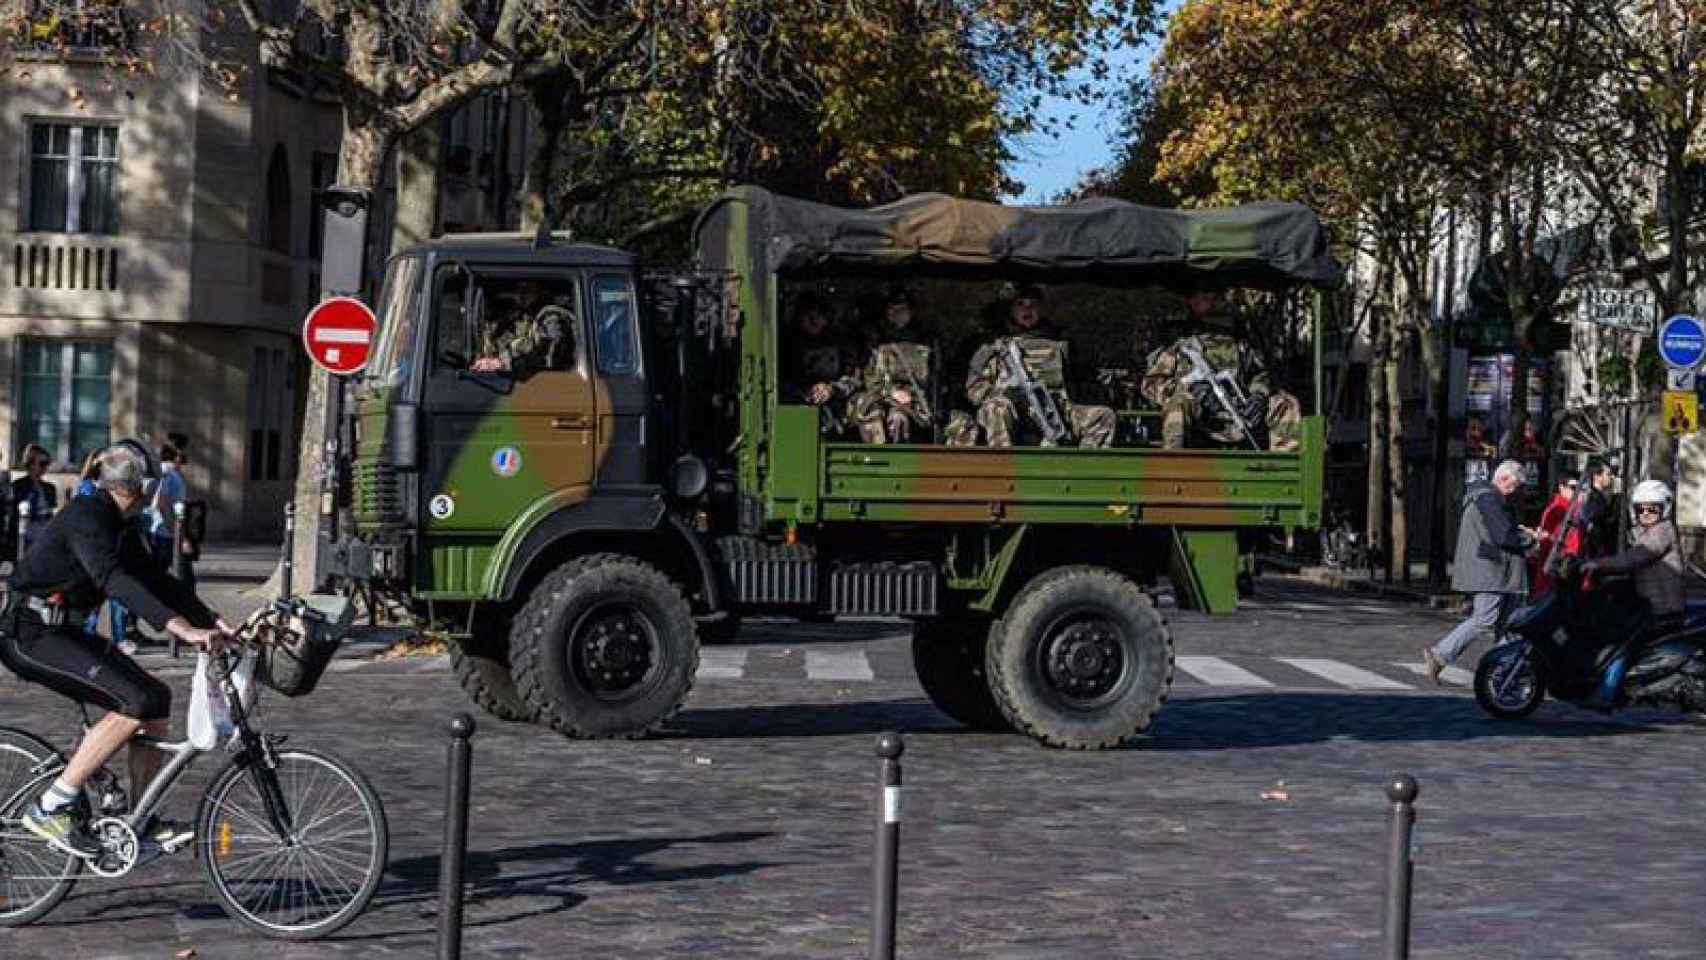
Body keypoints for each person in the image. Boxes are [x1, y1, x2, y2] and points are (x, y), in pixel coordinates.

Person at [0, 441, 232, 859]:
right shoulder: (85, 517)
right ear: (139, 487)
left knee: (156, 698)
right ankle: (52, 805)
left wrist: (212, 622)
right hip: (30, 633)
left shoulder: (120, 525)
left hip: (66, 633)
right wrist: (180, 629)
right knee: (135, 700)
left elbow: (157, 582)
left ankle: (140, 820)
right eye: (151, 486)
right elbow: (113, 581)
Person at [951, 285, 1115, 448]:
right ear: (1012, 309)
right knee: (996, 409)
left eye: (1033, 305)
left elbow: (1081, 380)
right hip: (1013, 413)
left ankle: (1080, 469)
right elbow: (974, 389)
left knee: (1104, 416)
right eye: (1021, 304)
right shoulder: (994, 347)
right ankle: (1004, 468)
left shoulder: (1059, 344)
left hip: (1054, 411)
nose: (1027, 310)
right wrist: (1004, 394)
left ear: (1042, 309)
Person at [1140, 287, 1301, 451]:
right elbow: (1151, 385)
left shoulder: (1240, 345)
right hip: (1200, 419)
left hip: (1238, 414)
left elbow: (1259, 375)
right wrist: (1191, 391)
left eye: (1214, 295)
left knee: (1285, 402)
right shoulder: (1181, 345)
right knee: (1179, 404)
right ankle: (1174, 465)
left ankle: (1283, 468)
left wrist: (1259, 395)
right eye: (1203, 295)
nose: (1211, 300)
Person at [1422, 460, 1535, 683]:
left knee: (1506, 623)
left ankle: (1507, 669)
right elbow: (1503, 535)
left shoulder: (1486, 497)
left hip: (1495, 571)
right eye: (1513, 486)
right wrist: (1529, 538)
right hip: (1491, 572)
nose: (1514, 492)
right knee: (1485, 620)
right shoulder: (1489, 498)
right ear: (1502, 479)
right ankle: (1440, 654)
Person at [1580, 480, 1684, 622]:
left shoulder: (1663, 531)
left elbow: (1636, 556)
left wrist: (1598, 563)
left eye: (1653, 509)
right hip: (1652, 603)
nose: (1646, 513)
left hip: (1664, 608)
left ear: (1664, 509)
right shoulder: (1643, 531)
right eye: (1640, 509)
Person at [847, 286, 937, 444]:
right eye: (893, 310)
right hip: (880, 399)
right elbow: (867, 379)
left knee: (899, 419)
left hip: (915, 404)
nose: (897, 314)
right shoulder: (874, 343)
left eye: (902, 310)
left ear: (911, 312)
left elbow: (934, 381)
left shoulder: (926, 343)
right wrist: (891, 392)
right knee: (876, 417)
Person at [780, 292, 858, 434]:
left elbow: (854, 378)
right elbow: (778, 380)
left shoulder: (839, 344)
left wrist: (831, 388)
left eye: (820, 317)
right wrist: (806, 393)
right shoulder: (786, 344)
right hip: (797, 407)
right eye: (810, 317)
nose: (816, 322)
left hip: (836, 410)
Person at [471, 279, 574, 375]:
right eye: (518, 289)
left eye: (526, 289)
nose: (520, 294)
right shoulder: (519, 318)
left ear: (539, 291)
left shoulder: (552, 317)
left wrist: (501, 363)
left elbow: (545, 355)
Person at [148, 442, 194, 592]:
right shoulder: (171, 475)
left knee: (156, 577)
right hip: (167, 534)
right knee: (184, 580)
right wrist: (179, 535)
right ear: (176, 457)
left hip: (155, 531)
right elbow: (163, 503)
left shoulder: (155, 472)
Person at [1529, 471, 1577, 596]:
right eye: (1573, 488)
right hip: (1557, 565)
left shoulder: (1569, 507)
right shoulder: (1558, 509)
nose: (1577, 491)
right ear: (1561, 487)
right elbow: (1549, 539)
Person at [12, 442, 60, 551]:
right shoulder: (18, 485)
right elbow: (16, 513)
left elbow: (52, 512)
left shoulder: (49, 488)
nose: (45, 467)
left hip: (44, 530)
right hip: (26, 530)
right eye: (42, 464)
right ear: (31, 464)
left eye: (47, 463)